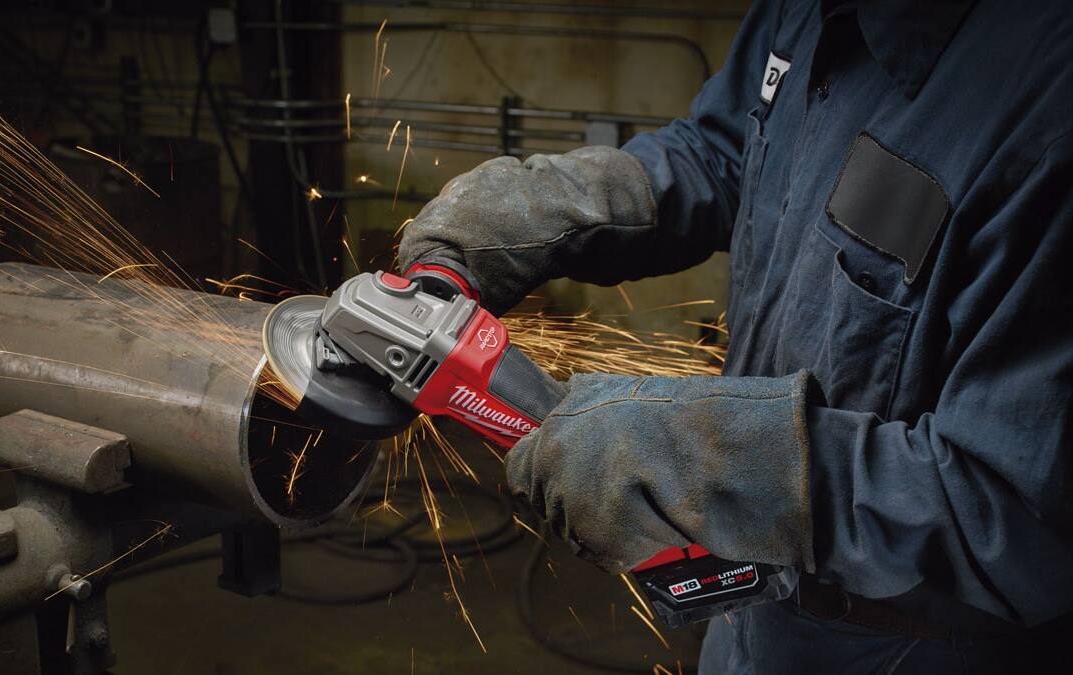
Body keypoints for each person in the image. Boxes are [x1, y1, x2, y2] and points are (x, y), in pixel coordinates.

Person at [398, 1, 1073, 672]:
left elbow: (1018, 516)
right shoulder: (804, 12)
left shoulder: (1047, 99)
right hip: (747, 615)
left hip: (905, 651)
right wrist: (556, 207)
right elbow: (726, 149)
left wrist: (703, 456)